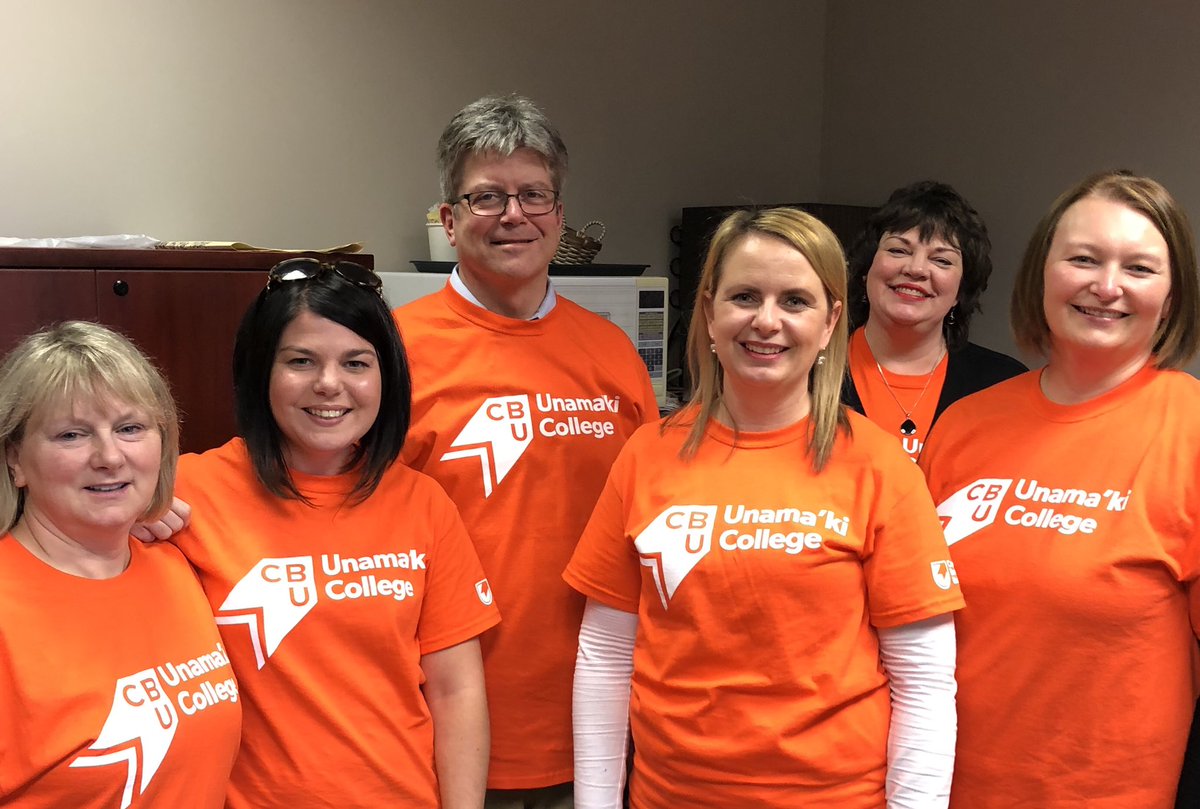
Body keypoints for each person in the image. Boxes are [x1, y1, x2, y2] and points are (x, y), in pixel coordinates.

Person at [565, 208, 964, 808]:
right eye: (745, 296)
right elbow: (605, 658)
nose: (766, 321)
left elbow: (926, 684)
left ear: (830, 322)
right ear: (708, 311)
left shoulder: (881, 467)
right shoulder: (646, 455)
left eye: (795, 301)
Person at [393, 94, 659, 808]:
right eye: (487, 196)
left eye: (534, 194)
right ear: (448, 221)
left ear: (560, 214)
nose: (514, 214)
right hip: (448, 733)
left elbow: (650, 522)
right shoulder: (389, 355)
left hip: (602, 729)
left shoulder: (611, 354)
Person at [169, 258, 500, 808]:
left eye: (356, 362)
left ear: (385, 376)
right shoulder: (185, 495)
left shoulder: (423, 503)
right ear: (260, 372)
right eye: (301, 361)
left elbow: (455, 690)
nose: (329, 384)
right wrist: (134, 518)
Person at [919, 170, 1200, 808]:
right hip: (940, 789)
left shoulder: (1190, 430)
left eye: (1139, 267)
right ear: (1042, 271)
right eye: (1083, 258)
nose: (1106, 286)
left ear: (1173, 291)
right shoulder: (964, 425)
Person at [0, 321, 240, 807]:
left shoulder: (176, 565)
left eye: (130, 428)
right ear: (15, 460)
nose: (109, 456)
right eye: (72, 434)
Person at [843, 181, 1025, 460]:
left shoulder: (1004, 384)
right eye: (898, 250)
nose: (916, 269)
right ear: (866, 270)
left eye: (942, 260)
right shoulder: (809, 372)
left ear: (960, 292)